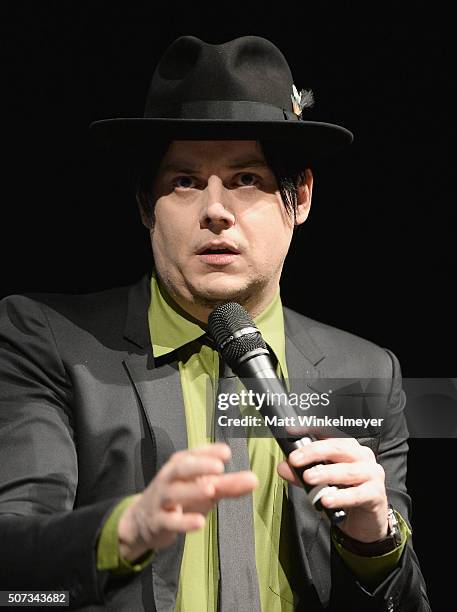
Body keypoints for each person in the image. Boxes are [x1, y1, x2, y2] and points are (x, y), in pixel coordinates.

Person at [0, 35, 430, 611]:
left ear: (298, 197)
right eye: (184, 182)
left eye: (246, 179)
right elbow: (14, 574)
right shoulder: (48, 340)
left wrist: (374, 539)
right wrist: (123, 531)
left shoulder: (365, 371)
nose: (216, 210)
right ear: (144, 205)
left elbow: (404, 601)